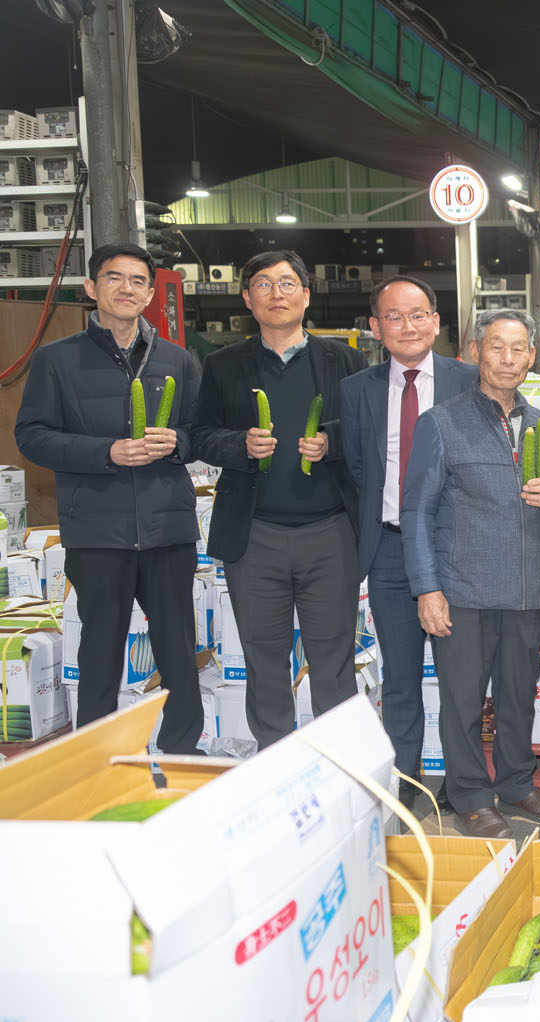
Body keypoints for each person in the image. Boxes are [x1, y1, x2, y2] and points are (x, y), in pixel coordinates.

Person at [14, 243, 205, 751]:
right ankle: (98, 762)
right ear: (91, 288)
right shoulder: (57, 360)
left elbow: (200, 433)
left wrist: (177, 443)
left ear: (150, 295)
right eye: (114, 278)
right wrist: (107, 451)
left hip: (167, 530)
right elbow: (31, 436)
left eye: (138, 281)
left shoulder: (177, 360)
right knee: (99, 655)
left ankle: (183, 756)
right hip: (97, 533)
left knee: (178, 653)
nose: (127, 288)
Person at [403, 309, 540, 840]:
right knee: (463, 701)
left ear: (531, 357)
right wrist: (427, 589)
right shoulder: (442, 422)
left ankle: (517, 784)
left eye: (518, 348)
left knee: (518, 697)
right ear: (475, 352)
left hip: (527, 590)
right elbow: (417, 512)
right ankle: (472, 797)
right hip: (464, 591)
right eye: (496, 346)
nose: (507, 358)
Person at [192, 251, 364, 747]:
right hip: (255, 536)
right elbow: (200, 436)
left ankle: (340, 763)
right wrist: (238, 445)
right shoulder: (224, 364)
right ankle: (276, 760)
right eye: (263, 285)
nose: (276, 293)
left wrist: (331, 440)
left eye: (287, 283)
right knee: (263, 659)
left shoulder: (345, 360)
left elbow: (368, 430)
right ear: (248, 299)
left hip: (329, 533)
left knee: (333, 659)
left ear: (306, 296)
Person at [340, 275, 477, 808]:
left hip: (457, 550)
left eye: (418, 314)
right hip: (391, 552)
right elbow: (357, 469)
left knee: (462, 680)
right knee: (399, 680)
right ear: (375, 328)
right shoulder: (358, 389)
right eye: (393, 317)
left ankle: (465, 788)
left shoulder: (469, 381)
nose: (407, 326)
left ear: (436, 322)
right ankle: (406, 786)